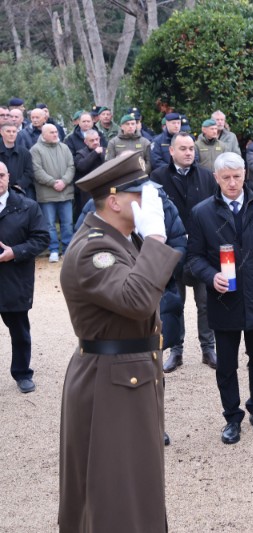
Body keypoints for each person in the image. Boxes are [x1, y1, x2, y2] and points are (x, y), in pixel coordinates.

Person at [59, 150, 181, 532]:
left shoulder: (119, 240)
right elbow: (136, 300)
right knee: (114, 491)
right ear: (114, 201)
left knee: (133, 483)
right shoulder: (94, 249)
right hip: (110, 381)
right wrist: (157, 240)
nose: (149, 204)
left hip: (125, 376)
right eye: (140, 195)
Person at [186, 152, 253, 444]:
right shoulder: (202, 212)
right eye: (226, 178)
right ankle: (232, 417)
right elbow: (193, 258)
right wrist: (210, 276)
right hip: (223, 301)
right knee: (227, 364)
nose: (232, 183)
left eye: (237, 177)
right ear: (216, 178)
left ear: (245, 175)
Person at [151, 132, 218, 371]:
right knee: (173, 303)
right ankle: (175, 350)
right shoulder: (158, 177)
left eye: (191, 148)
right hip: (171, 251)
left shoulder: (207, 177)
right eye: (183, 148)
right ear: (171, 151)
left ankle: (208, 348)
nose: (189, 152)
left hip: (201, 252)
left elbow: (214, 211)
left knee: (205, 302)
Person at [0, 162, 48, 393]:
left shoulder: (27, 207)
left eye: (0, 175)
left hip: (14, 278)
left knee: (19, 330)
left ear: (8, 177)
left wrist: (15, 252)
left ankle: (22, 373)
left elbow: (41, 239)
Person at [31, 123, 75, 262]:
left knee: (67, 223)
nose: (56, 134)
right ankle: (54, 250)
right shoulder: (35, 150)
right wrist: (53, 182)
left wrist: (64, 181)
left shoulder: (64, 147)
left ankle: (68, 249)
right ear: (43, 135)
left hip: (65, 192)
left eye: (56, 131)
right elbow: (37, 171)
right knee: (49, 224)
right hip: (47, 194)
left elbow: (71, 166)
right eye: (52, 132)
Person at [0, 121, 35, 200]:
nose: (11, 134)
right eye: (8, 131)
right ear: (1, 132)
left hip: (19, 192)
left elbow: (29, 172)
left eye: (14, 131)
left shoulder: (24, 153)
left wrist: (19, 185)